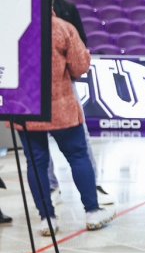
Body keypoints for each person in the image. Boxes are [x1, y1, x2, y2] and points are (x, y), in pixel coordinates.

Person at [16, 14, 112, 236]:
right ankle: (92, 212)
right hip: (62, 107)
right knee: (78, 156)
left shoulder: (12, 26)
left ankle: (46, 218)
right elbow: (79, 67)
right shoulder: (61, 28)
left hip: (25, 107)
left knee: (36, 163)